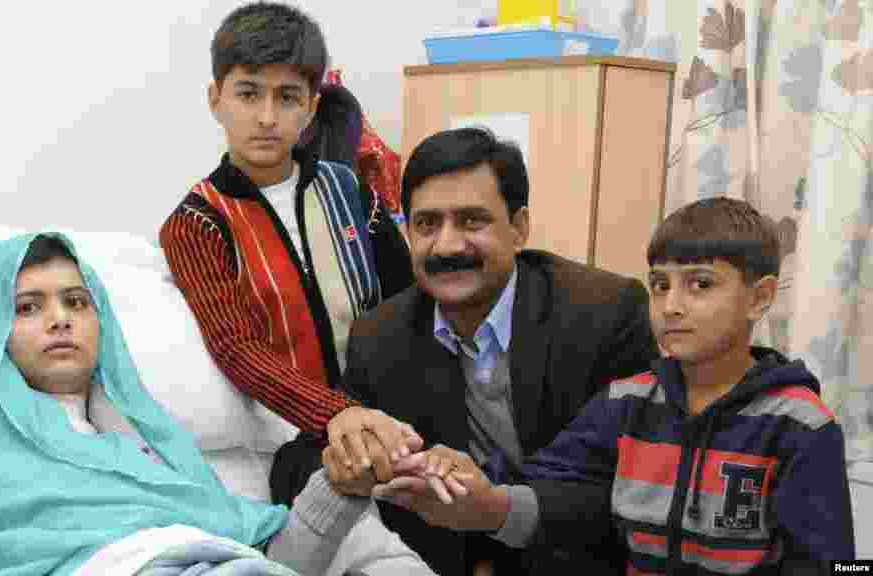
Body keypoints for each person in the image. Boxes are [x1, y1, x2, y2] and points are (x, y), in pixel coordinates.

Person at [0, 233, 435, 576]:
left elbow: (275, 560)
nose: (60, 319)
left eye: (76, 301)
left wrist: (341, 489)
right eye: (28, 307)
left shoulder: (152, 459)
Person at [375, 197, 857, 573]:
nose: (671, 305)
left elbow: (835, 564)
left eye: (701, 284)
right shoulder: (626, 403)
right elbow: (545, 485)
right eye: (660, 284)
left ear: (760, 298)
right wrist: (477, 487)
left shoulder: (800, 424)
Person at [322, 126, 660, 574]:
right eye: (427, 224)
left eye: (471, 221)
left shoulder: (604, 315)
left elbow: (637, 484)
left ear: (518, 229)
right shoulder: (381, 336)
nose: (446, 245)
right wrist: (344, 452)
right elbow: (303, 459)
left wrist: (498, 510)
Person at [157, 1, 416, 509]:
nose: (267, 117)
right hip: (297, 444)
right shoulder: (195, 223)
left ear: (312, 107)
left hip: (390, 418)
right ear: (216, 99)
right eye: (248, 93)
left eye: (288, 96)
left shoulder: (352, 192)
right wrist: (334, 414)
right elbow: (237, 350)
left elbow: (407, 304)